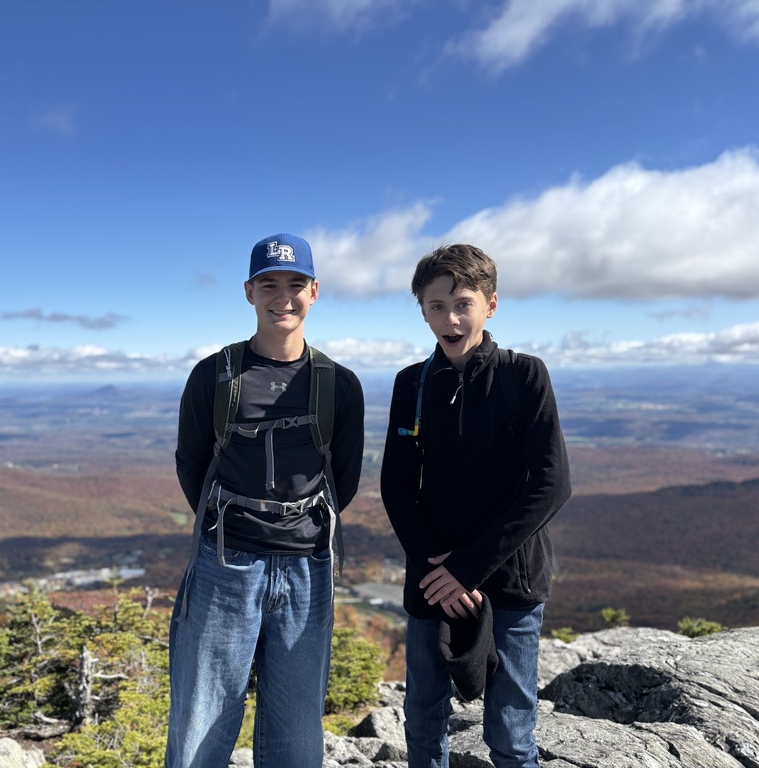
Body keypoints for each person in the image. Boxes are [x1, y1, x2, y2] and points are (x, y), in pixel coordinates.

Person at [166, 233, 365, 768]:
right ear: (249, 292)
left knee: (296, 735)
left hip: (307, 567)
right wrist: (232, 525)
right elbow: (191, 464)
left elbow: (343, 479)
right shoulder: (214, 376)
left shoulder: (339, 385)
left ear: (314, 291)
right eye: (269, 284)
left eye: (295, 284)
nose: (283, 297)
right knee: (200, 725)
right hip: (226, 562)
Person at [381, 244, 571, 768]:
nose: (451, 319)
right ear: (422, 310)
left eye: (462, 303)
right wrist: (436, 569)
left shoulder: (523, 375)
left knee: (510, 731)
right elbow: (396, 486)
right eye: (436, 306)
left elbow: (552, 484)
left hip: (510, 578)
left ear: (491, 304)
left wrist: (465, 570)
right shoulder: (412, 384)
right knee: (422, 721)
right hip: (432, 577)